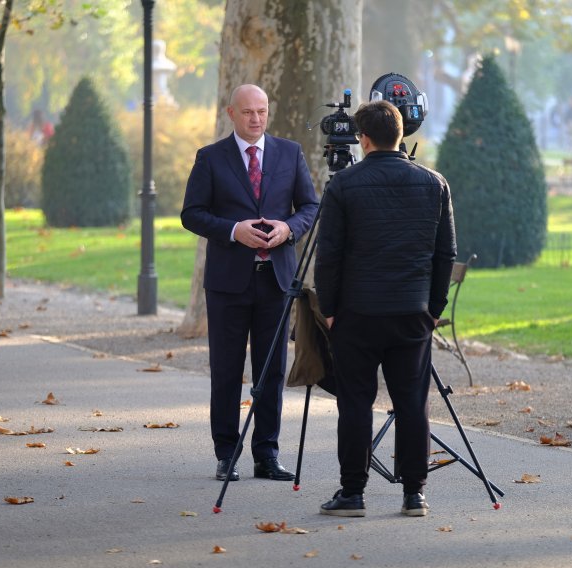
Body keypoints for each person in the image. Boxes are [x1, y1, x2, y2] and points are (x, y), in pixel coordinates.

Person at [314, 100, 457, 517]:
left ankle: (352, 493)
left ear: (363, 138)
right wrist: (433, 306)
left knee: (355, 403)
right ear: (402, 135)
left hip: (357, 313)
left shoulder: (343, 185)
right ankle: (415, 492)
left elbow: (330, 254)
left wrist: (329, 308)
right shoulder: (434, 184)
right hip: (412, 312)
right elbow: (444, 253)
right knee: (412, 402)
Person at [181, 84, 319, 482]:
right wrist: (233, 230)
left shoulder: (290, 153)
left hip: (275, 279)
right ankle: (227, 452)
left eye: (262, 111)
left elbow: (309, 206)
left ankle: (267, 454)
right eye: (247, 112)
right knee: (226, 369)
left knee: (271, 371)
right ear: (231, 113)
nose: (256, 118)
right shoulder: (210, 158)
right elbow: (192, 214)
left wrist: (288, 229)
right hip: (227, 283)